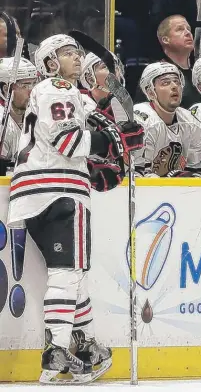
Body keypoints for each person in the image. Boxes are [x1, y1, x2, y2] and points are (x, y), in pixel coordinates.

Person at [6, 34, 144, 384]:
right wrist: (114, 143)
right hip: (61, 188)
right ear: (51, 63)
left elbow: (80, 135)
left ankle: (84, 344)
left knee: (72, 273)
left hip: (33, 192)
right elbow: (67, 142)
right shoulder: (58, 87)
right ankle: (58, 350)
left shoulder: (66, 96)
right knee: (68, 271)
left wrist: (110, 146)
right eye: (68, 54)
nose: (78, 59)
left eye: (78, 53)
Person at [134, 62, 201, 177]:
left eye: (177, 82)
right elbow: (137, 176)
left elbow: (195, 171)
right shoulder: (141, 122)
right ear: (150, 92)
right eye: (165, 83)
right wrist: (173, 179)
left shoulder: (192, 123)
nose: (174, 86)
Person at [157, 15, 201, 109]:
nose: (188, 33)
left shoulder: (199, 73)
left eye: (189, 29)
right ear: (166, 40)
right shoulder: (158, 74)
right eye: (180, 29)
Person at [0, 57, 38, 173]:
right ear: (6, 90)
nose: (32, 92)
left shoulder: (36, 117)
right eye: (25, 86)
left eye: (34, 84)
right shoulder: (2, 123)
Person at [80, 51, 126, 120]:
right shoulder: (80, 103)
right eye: (105, 66)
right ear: (90, 79)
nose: (115, 70)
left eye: (116, 66)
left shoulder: (125, 107)